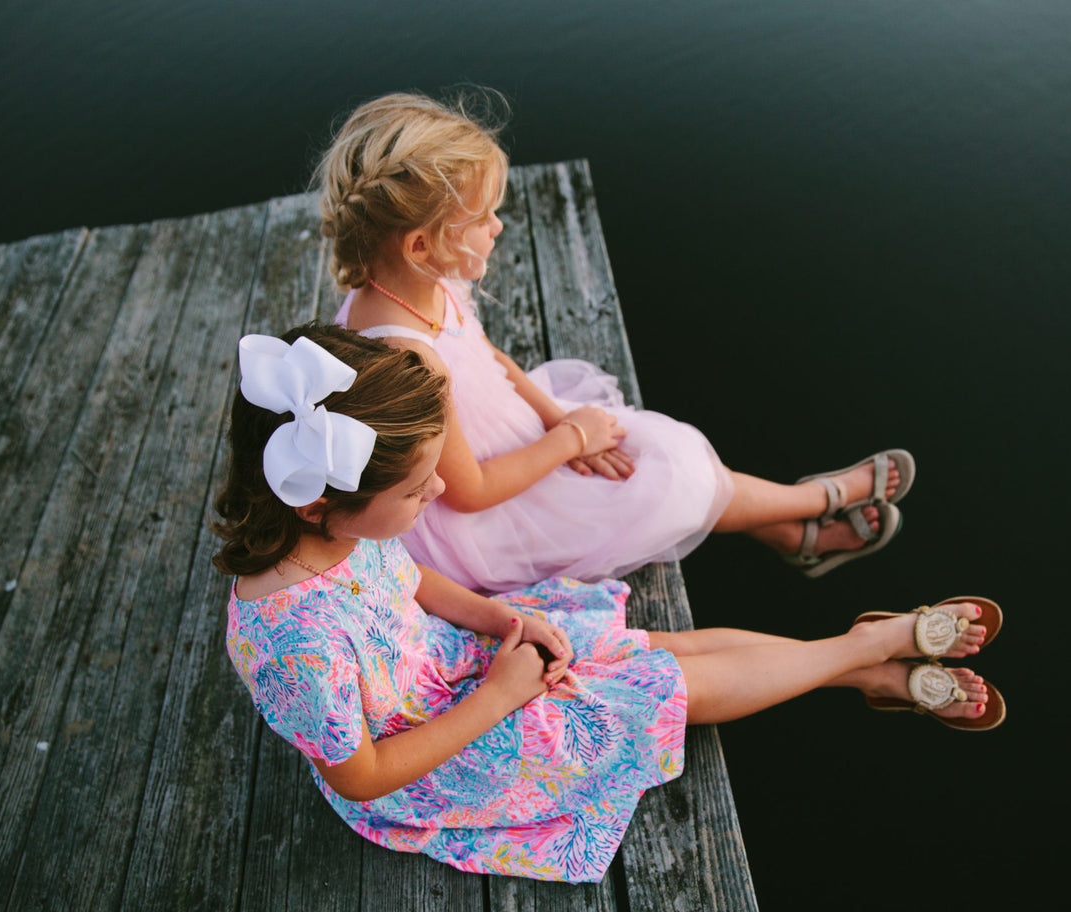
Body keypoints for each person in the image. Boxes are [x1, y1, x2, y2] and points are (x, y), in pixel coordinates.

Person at [214, 324, 1004, 883]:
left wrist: (496, 618)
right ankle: (865, 649)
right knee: (654, 690)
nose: (442, 492)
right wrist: (497, 697)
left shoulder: (342, 535)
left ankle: (858, 667)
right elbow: (361, 775)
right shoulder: (293, 644)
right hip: (434, 754)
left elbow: (406, 582)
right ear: (316, 504)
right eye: (420, 488)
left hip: (451, 671)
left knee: (647, 651)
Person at [316, 91, 916, 592]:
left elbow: (488, 359)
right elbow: (469, 492)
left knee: (656, 448)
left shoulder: (420, 282)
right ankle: (810, 505)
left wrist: (558, 415)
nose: (497, 227)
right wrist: (572, 438)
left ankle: (795, 531)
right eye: (481, 219)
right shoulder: (403, 356)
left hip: (517, 441)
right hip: (485, 513)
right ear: (419, 245)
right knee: (669, 476)